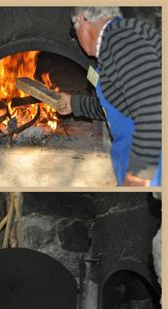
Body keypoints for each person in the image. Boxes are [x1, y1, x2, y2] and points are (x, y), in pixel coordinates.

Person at [59, 7, 161, 187]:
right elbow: (119, 106)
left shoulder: (122, 38)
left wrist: (139, 173)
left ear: (81, 20)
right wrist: (74, 104)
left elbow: (153, 108)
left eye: (74, 32)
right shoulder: (114, 44)